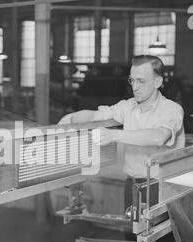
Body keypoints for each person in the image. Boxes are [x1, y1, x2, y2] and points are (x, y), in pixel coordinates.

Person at [58, 55, 185, 216]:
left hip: (160, 187)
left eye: (141, 81)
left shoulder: (171, 110)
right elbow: (97, 115)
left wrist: (113, 135)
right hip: (132, 185)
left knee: (161, 238)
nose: (135, 87)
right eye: (132, 81)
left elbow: (158, 136)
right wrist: (71, 118)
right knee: (132, 235)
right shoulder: (128, 106)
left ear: (158, 82)